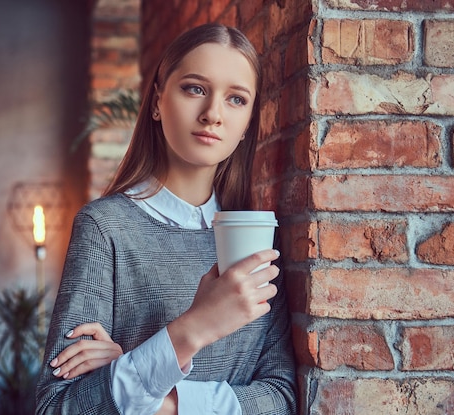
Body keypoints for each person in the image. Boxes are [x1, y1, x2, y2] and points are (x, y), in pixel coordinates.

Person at [36, 23, 297, 415]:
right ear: (157, 101)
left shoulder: (257, 242)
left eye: (236, 99)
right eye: (195, 89)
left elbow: (281, 399)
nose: (212, 114)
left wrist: (157, 398)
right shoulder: (104, 228)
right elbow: (59, 407)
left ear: (246, 126)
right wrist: (194, 328)